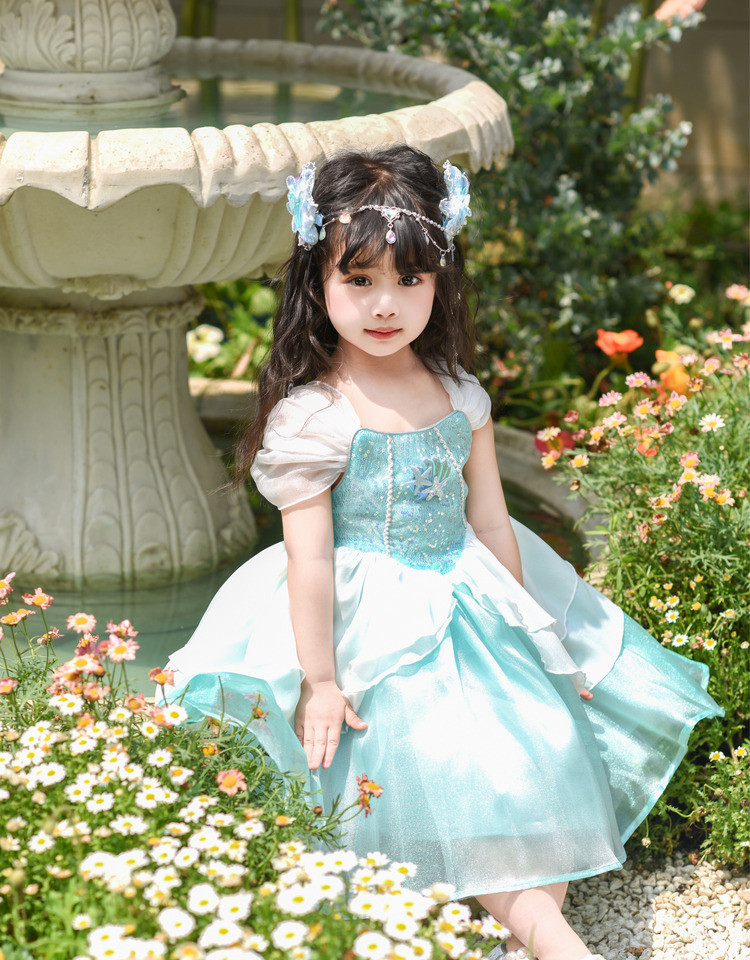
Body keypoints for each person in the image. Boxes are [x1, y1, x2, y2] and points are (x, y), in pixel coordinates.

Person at [161, 146, 722, 960]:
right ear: (318, 279)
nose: (385, 304)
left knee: (529, 756)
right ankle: (527, 926)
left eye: (410, 278)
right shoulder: (315, 416)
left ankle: (535, 923)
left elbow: (490, 523)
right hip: (364, 618)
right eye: (359, 279)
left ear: (440, 279)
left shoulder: (460, 394)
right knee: (419, 755)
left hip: (469, 596)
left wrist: (538, 631)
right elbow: (310, 560)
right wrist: (321, 680)